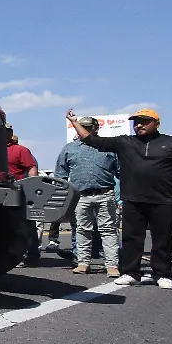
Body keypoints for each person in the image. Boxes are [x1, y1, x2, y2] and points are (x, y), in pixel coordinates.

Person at [67, 108, 172, 290]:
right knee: (131, 238)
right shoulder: (125, 142)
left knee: (162, 239)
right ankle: (131, 273)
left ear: (157, 124)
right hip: (133, 200)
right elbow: (93, 141)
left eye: (144, 121)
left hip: (163, 200)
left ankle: (163, 274)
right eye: (136, 122)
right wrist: (75, 122)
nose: (138, 125)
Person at [54, 116, 120, 275]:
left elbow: (121, 172)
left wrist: (121, 198)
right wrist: (60, 196)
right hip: (80, 196)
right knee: (82, 230)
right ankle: (83, 263)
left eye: (88, 127)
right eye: (81, 126)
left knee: (109, 230)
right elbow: (61, 175)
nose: (83, 130)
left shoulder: (108, 147)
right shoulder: (69, 149)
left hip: (106, 193)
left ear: (96, 129)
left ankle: (112, 265)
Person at [5, 123, 41, 266]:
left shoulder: (20, 150)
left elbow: (32, 167)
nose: (3, 133)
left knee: (27, 224)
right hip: (1, 190)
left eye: (6, 131)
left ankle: (32, 254)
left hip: (19, 190)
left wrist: (32, 186)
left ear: (10, 133)